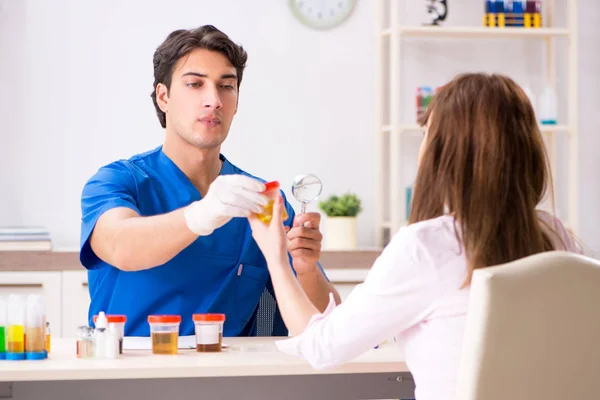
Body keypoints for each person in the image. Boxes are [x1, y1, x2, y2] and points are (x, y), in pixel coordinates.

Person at [247, 73, 581, 400]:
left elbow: (321, 349)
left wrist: (276, 257)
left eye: (427, 136)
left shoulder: (427, 247)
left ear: (444, 154)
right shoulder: (556, 236)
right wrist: (304, 269)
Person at [80, 25, 340, 337]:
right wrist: (204, 214)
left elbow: (329, 328)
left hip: (229, 376)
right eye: (195, 84)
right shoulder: (118, 182)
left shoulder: (259, 199)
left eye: (226, 87)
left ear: (236, 102)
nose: (213, 100)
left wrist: (306, 269)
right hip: (131, 372)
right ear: (163, 97)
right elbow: (120, 245)